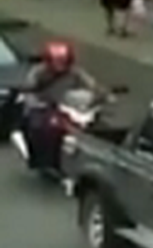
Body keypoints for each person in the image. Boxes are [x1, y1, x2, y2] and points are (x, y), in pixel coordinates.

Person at [19, 41, 101, 171]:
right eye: (57, 61)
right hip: (43, 107)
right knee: (41, 127)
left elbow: (91, 84)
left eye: (63, 61)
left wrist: (103, 94)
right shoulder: (39, 72)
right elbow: (29, 89)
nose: (60, 65)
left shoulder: (75, 72)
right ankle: (41, 159)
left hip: (68, 107)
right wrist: (37, 101)